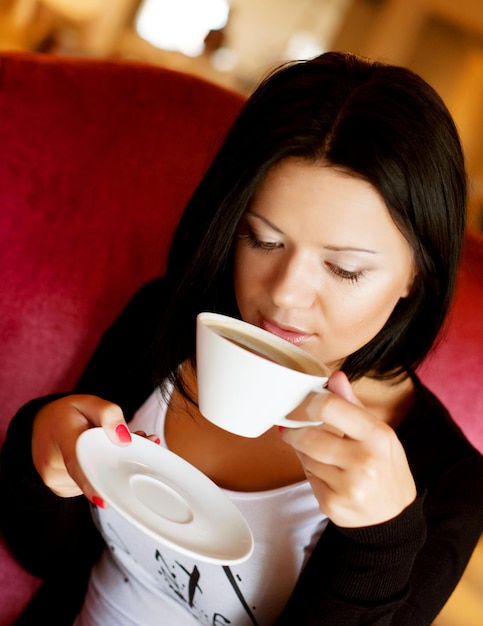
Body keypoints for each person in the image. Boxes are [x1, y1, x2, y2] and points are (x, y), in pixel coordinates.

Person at [1, 51, 482, 626]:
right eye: (263, 240)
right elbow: (46, 555)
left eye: (345, 269)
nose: (284, 295)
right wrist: (41, 447)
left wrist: (378, 546)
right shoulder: (166, 320)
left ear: (417, 275)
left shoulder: (446, 485)